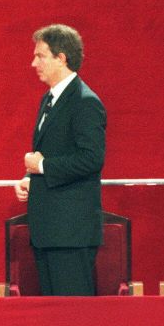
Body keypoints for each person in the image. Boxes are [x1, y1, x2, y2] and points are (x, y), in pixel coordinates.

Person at [14, 24, 106, 296]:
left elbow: (92, 159)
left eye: (40, 56)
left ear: (61, 58)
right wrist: (30, 178)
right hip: (49, 231)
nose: (33, 63)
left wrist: (40, 166)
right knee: (53, 320)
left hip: (70, 233)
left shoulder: (84, 101)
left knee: (73, 319)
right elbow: (54, 152)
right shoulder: (50, 99)